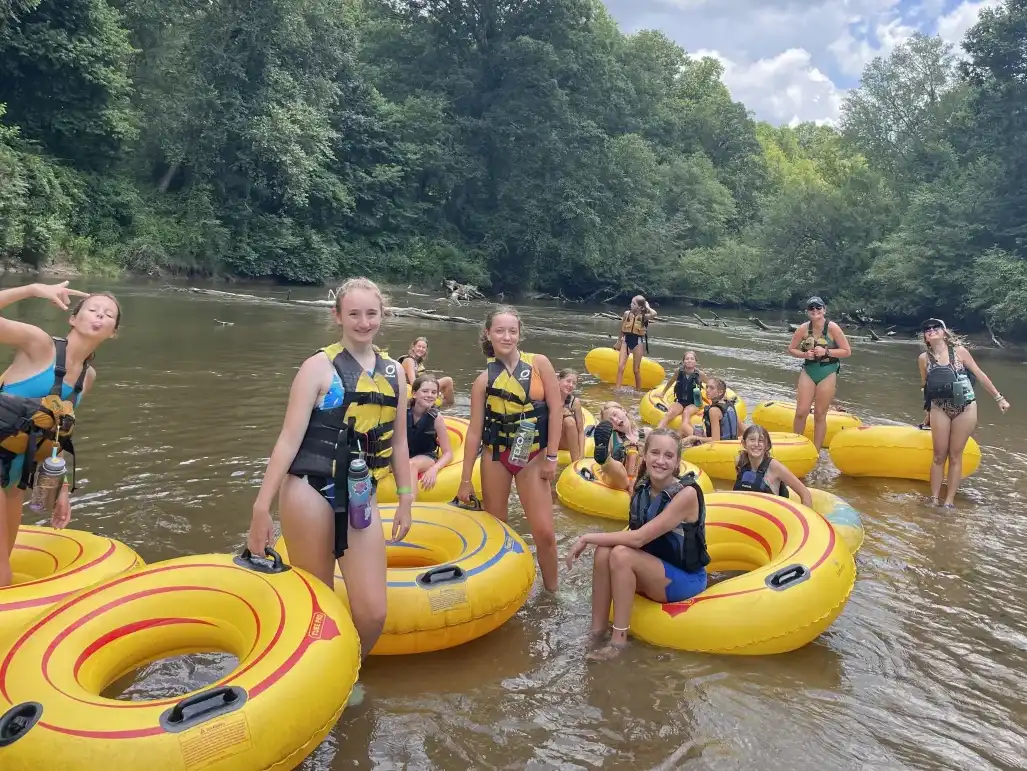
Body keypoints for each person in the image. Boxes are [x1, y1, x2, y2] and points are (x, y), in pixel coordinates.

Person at [247, 277, 413, 660]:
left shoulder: (396, 375)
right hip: (310, 489)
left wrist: (405, 498)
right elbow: (288, 440)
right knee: (318, 605)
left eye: (371, 313)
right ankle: (324, 679)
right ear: (337, 316)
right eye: (353, 313)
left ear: (383, 316)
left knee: (373, 612)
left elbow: (400, 442)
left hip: (361, 494)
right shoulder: (317, 368)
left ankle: (350, 668)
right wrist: (261, 508)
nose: (363, 322)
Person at [0, 282, 120, 587]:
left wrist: (61, 486)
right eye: (92, 309)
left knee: (6, 563)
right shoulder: (39, 345)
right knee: (1, 572)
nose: (99, 316)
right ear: (73, 318)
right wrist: (32, 289)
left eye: (108, 315)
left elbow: (57, 431)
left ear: (113, 332)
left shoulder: (86, 377)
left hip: (16, 477)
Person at [566, 428, 710, 661]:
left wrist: (586, 537)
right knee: (604, 551)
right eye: (655, 453)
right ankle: (596, 632)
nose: (660, 461)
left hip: (686, 579)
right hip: (655, 568)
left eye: (668, 456)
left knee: (622, 554)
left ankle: (618, 643)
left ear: (677, 462)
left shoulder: (686, 495)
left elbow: (638, 539)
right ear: (644, 455)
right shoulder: (641, 488)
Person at [457, 306, 562, 591]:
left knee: (545, 533)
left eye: (512, 331)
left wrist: (552, 456)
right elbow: (474, 433)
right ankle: (499, 591)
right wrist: (465, 481)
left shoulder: (539, 364)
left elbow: (556, 409)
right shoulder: (483, 382)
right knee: (498, 528)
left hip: (533, 457)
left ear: (519, 333)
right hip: (495, 458)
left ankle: (552, 592)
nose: (506, 337)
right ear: (488, 334)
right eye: (500, 331)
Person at [917, 318, 1009, 507]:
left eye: (936, 327)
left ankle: (949, 501)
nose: (931, 330)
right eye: (927, 329)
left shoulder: (959, 352)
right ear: (925, 337)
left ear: (944, 332)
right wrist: (927, 413)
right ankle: (933, 499)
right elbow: (926, 387)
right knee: (938, 455)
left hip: (965, 407)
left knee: (955, 455)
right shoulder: (923, 359)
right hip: (938, 407)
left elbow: (980, 375)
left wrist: (999, 398)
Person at [788, 296, 852, 452]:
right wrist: (804, 355)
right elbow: (791, 349)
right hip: (809, 370)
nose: (815, 311)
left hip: (828, 371)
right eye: (811, 308)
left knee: (819, 414)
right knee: (801, 411)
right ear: (807, 311)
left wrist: (827, 351)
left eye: (818, 308)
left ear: (824, 310)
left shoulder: (833, 328)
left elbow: (847, 351)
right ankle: (795, 445)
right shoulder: (803, 328)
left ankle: (815, 451)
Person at [733, 425, 812, 506]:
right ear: (744, 443)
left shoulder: (775, 467)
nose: (756, 444)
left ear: (767, 445)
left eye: (761, 441)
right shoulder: (740, 461)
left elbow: (805, 494)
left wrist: (806, 517)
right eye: (752, 440)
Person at [406, 373, 454, 494]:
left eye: (433, 392)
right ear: (414, 394)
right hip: (403, 454)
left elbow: (448, 453)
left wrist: (434, 469)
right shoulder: (401, 412)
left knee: (411, 465)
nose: (430, 395)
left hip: (426, 456)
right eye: (425, 391)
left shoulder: (436, 418)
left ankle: (409, 506)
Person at [592, 402, 642, 491]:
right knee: (616, 466)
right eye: (610, 421)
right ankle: (605, 459)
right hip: (620, 480)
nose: (615, 420)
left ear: (623, 410)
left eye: (614, 414)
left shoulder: (645, 433)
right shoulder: (613, 437)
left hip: (639, 478)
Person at [658, 351, 707, 437]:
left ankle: (683, 435)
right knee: (669, 414)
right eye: (687, 359)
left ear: (696, 362)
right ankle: (656, 433)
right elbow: (671, 382)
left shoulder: (700, 374)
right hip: (680, 401)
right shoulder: (678, 372)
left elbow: (710, 385)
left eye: (692, 359)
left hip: (694, 403)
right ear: (683, 361)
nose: (689, 360)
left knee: (686, 413)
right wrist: (663, 393)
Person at [615, 295, 657, 390]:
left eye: (634, 303)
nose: (631, 304)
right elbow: (622, 328)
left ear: (640, 307)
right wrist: (618, 342)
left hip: (638, 343)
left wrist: (647, 307)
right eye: (631, 302)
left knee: (636, 370)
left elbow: (654, 314)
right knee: (621, 367)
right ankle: (617, 390)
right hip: (626, 341)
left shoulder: (644, 317)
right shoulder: (626, 314)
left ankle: (638, 391)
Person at [397, 336, 455, 405]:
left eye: (423, 348)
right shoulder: (409, 361)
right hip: (411, 390)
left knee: (440, 385)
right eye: (419, 346)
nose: (421, 349)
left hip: (420, 386)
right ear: (413, 347)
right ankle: (442, 405)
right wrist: (431, 387)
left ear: (426, 350)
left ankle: (437, 403)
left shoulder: (417, 361)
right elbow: (413, 383)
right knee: (448, 381)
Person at [682, 378, 739, 446]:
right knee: (688, 431)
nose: (707, 390)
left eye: (712, 388)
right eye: (707, 387)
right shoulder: (729, 404)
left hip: (721, 447)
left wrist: (694, 438)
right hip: (730, 442)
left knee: (683, 428)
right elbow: (740, 427)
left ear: (720, 392)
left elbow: (716, 440)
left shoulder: (714, 410)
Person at [557, 368, 585, 462]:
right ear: (559, 379)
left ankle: (575, 462)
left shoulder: (574, 402)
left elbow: (581, 431)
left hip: (566, 441)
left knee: (569, 421)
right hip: (551, 439)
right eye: (568, 381)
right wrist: (560, 411)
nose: (571, 385)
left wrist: (581, 456)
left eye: (574, 383)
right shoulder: (549, 398)